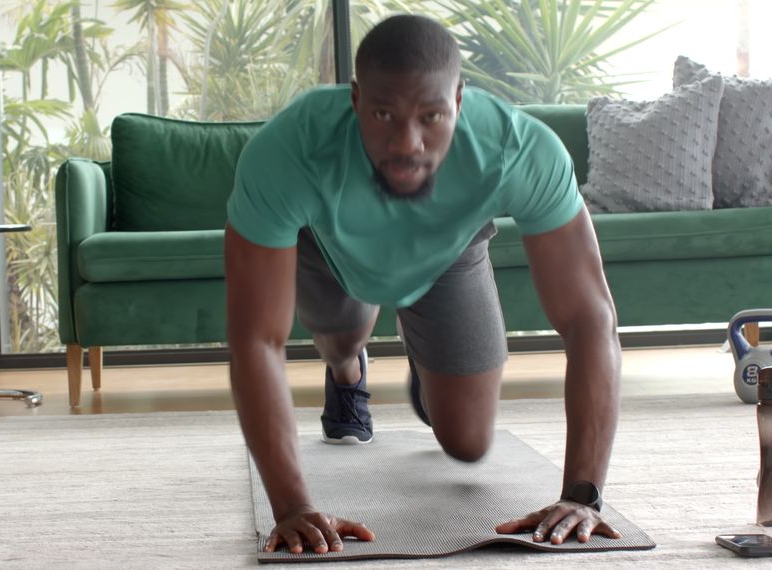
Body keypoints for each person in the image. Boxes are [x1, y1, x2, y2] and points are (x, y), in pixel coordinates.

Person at [224, 14, 621, 555]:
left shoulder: (518, 150)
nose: (407, 142)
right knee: (342, 340)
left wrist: (582, 496)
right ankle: (347, 369)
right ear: (355, 100)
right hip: (332, 250)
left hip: (448, 254)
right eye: (383, 114)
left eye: (431, 116)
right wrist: (292, 506)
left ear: (458, 100)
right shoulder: (288, 151)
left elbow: (590, 316)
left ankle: (425, 359)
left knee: (468, 441)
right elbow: (256, 339)